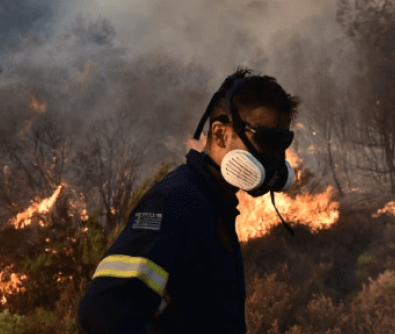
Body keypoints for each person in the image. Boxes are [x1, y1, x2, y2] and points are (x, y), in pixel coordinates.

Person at [76, 68, 300, 334]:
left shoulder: (215, 205)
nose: (274, 158)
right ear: (220, 134)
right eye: (265, 140)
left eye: (281, 143)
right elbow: (102, 316)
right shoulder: (176, 202)